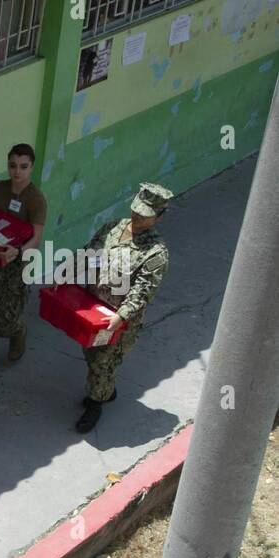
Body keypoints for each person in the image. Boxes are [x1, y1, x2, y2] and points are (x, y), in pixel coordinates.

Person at [75, 183, 173, 433]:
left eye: (146, 214)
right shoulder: (113, 227)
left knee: (102, 362)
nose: (138, 216)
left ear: (159, 217)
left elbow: (143, 289)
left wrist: (122, 315)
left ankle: (95, 404)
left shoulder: (155, 252)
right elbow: (90, 253)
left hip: (118, 320)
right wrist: (67, 272)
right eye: (137, 210)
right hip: (93, 307)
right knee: (91, 354)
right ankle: (106, 389)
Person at [0, 144, 48, 367]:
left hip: (14, 265)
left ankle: (17, 332)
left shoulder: (35, 199)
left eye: (23, 166)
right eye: (13, 165)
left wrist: (19, 252)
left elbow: (36, 239)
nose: (17, 171)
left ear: (31, 167)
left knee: (2, 319)